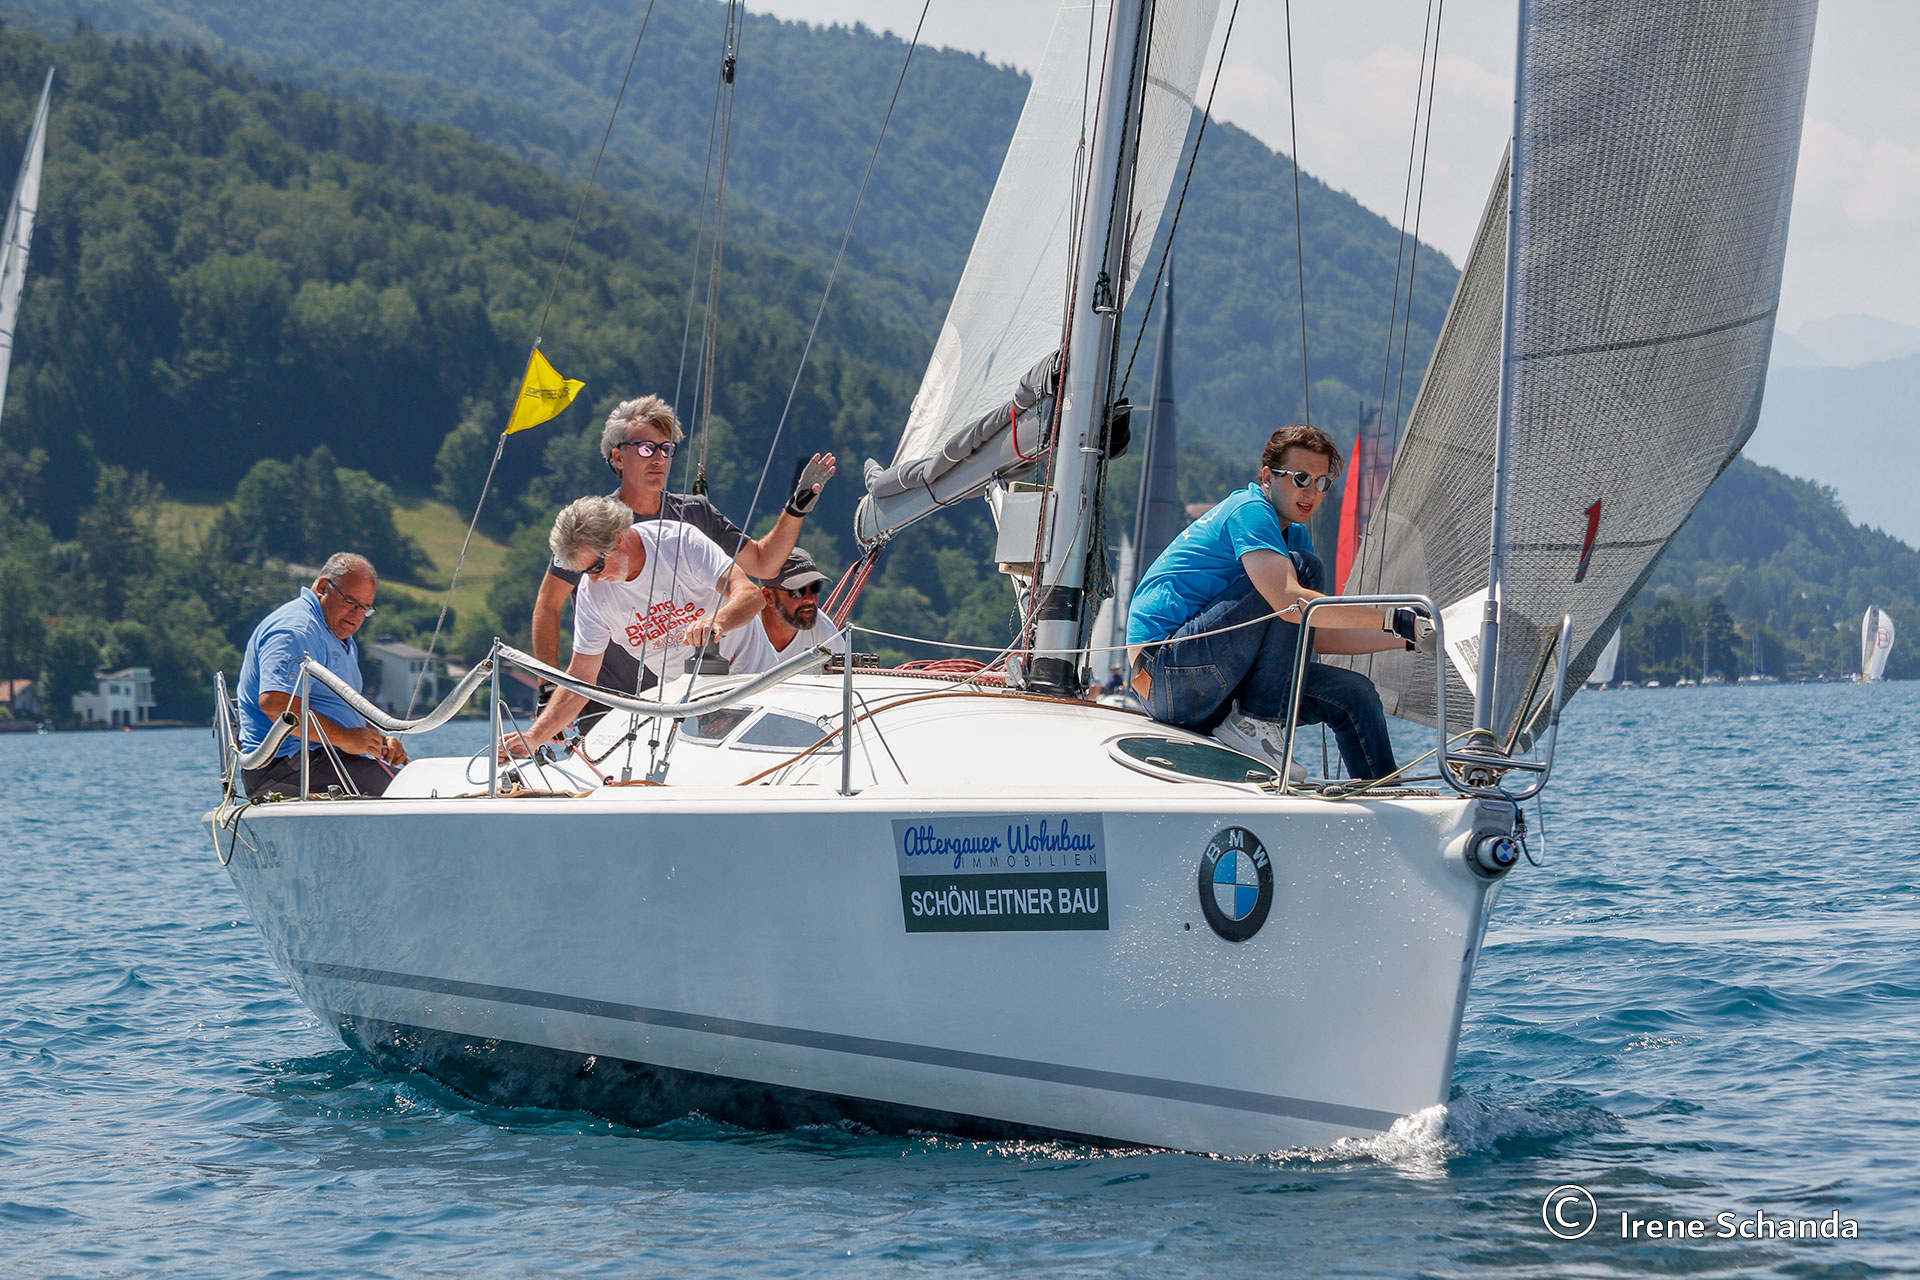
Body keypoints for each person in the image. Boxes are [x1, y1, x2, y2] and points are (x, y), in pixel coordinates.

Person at [1125, 423, 1432, 781]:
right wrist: (1391, 617)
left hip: (1218, 684)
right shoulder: (1249, 510)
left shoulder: (1294, 536)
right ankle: (1256, 723)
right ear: (1268, 477)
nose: (1311, 492)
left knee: (1355, 693)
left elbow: (1318, 633)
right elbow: (1289, 599)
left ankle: (1383, 794)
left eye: (1322, 482)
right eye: (1300, 478)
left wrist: (1409, 635)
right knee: (1303, 571)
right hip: (1166, 677)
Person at [530, 395, 835, 708]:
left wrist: (796, 509)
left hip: (689, 693)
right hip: (612, 698)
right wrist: (547, 688)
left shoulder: (695, 515)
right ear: (618, 458)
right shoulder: (591, 529)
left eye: (666, 449)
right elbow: (548, 604)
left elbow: (764, 564)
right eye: (646, 448)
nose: (659, 458)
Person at [501, 495, 765, 760]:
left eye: (597, 566)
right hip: (692, 701)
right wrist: (534, 737)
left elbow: (750, 595)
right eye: (586, 572)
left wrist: (716, 621)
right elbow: (581, 676)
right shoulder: (592, 595)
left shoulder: (680, 542)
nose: (595, 578)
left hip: (757, 682)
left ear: (618, 539)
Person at [236, 552, 408, 799]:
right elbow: (275, 704)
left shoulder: (336, 633)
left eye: (365, 608)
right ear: (323, 587)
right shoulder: (295, 631)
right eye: (351, 602)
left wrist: (379, 741)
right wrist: (345, 738)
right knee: (411, 791)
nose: (357, 615)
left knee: (415, 783)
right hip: (288, 767)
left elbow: (337, 708)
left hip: (326, 759)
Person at [720, 548, 846, 673]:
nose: (810, 599)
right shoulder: (738, 629)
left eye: (815, 587)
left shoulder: (825, 632)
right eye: (797, 591)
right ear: (768, 596)